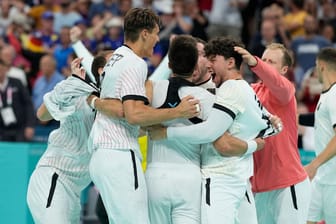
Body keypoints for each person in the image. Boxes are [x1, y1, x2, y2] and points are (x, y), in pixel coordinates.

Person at [148, 36, 280, 224]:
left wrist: (166, 133)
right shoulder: (245, 90)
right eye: (204, 57)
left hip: (219, 178)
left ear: (230, 62)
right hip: (240, 177)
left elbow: (216, 138)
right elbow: (273, 124)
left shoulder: (226, 90)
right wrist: (259, 138)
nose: (209, 64)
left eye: (213, 59)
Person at [87, 8, 199, 224]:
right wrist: (178, 112)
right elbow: (134, 114)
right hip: (120, 153)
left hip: (102, 154)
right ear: (145, 33)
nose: (158, 39)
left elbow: (119, 108)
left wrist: (94, 101)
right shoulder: (135, 63)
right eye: (156, 33)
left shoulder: (115, 57)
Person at [26, 56, 122, 223]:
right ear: (102, 71)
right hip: (55, 178)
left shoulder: (117, 102)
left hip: (74, 190)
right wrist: (71, 83)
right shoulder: (79, 92)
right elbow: (42, 114)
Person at [234, 43, 311, 224]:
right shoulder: (251, 90)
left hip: (287, 183)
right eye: (264, 59)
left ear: (284, 69)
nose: (265, 64)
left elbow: (278, 83)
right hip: (259, 187)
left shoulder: (286, 91)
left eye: (271, 62)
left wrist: (255, 62)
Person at [304, 47, 336, 224]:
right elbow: (320, 121)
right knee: (307, 219)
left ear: (322, 66)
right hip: (322, 178)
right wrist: (295, 118)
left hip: (334, 179)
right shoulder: (328, 94)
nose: (316, 71)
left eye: (316, 66)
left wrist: (313, 165)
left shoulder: (335, 94)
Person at [0, 58, 34, 142]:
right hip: (1, 129)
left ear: (6, 69)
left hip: (20, 127)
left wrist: (30, 125)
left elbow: (28, 104)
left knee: (19, 152)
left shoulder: (17, 83)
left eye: (1, 69)